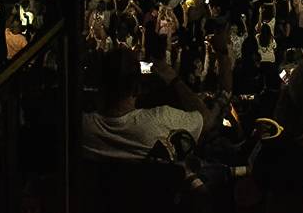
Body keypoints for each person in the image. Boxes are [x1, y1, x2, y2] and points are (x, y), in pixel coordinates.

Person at [82, 47, 220, 160]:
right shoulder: (160, 120)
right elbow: (207, 121)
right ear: (137, 88)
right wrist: (173, 79)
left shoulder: (84, 127)